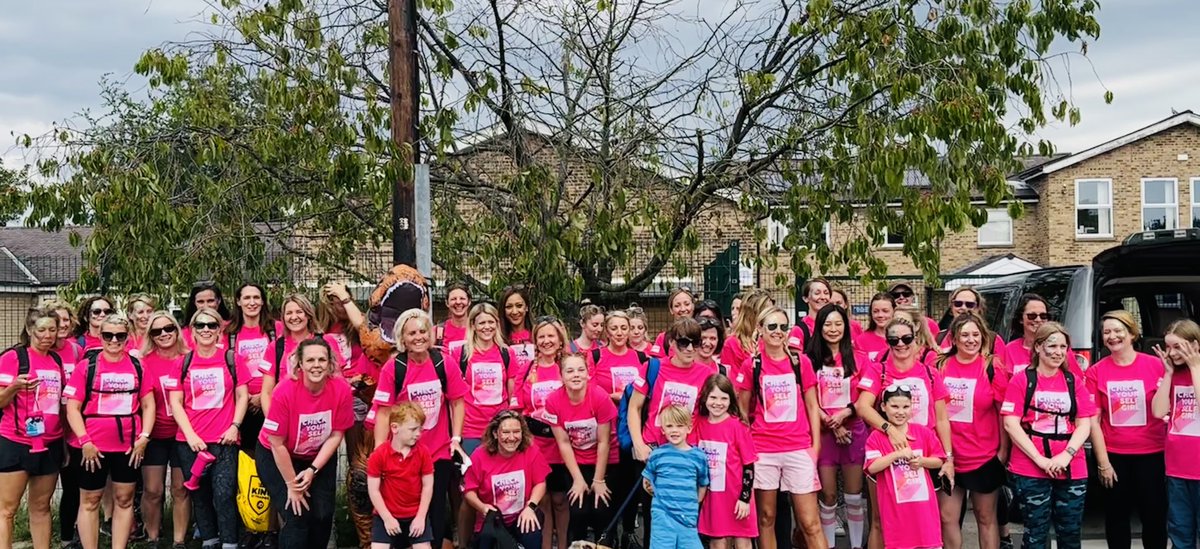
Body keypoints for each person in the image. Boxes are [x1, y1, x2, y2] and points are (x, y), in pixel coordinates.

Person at [371, 308, 468, 549]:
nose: (418, 337)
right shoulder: (394, 368)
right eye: (411, 333)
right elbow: (383, 412)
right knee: (401, 511)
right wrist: (380, 451)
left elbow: (457, 401)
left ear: (430, 334)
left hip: (437, 452)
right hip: (403, 455)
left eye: (423, 331)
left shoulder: (443, 362)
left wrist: (456, 437)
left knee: (434, 512)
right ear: (402, 338)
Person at [854, 317, 952, 549]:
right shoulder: (879, 370)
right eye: (893, 339)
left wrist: (948, 458)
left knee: (925, 517)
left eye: (906, 338)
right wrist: (889, 430)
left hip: (924, 454)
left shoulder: (929, 373)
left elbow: (941, 419)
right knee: (879, 521)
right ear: (887, 342)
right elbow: (862, 406)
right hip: (885, 451)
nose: (900, 344)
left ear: (916, 340)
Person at [735, 306, 825, 549]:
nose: (778, 331)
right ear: (760, 330)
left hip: (798, 447)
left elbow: (812, 406)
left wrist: (815, 446)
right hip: (763, 449)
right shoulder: (751, 365)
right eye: (772, 326)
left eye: (783, 327)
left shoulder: (800, 362)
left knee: (810, 522)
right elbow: (741, 410)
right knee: (766, 518)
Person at [63, 315, 155, 549]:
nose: (114, 340)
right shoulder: (87, 366)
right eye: (108, 335)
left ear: (127, 337)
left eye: (120, 335)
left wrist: (144, 437)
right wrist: (84, 441)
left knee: (124, 499)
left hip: (128, 446)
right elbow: (72, 407)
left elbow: (148, 404)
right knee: (90, 500)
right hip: (91, 447)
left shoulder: (137, 366)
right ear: (100, 336)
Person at [1001, 322, 1094, 549]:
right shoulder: (1022, 379)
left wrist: (1067, 455)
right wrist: (1040, 459)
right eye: (1052, 346)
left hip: (1071, 465)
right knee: (1035, 534)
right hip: (1030, 465)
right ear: (1039, 347)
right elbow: (1011, 423)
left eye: (1063, 347)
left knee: (1070, 532)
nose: (1058, 352)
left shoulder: (1073, 381)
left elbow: (1084, 424)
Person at [627, 317, 717, 546]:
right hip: (653, 452)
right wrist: (638, 443)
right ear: (672, 344)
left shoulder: (706, 374)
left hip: (686, 456)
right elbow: (634, 407)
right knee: (654, 520)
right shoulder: (653, 367)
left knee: (687, 521)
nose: (689, 348)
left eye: (695, 343)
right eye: (683, 342)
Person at [258, 338, 355, 549]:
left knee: (322, 515)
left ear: (330, 364)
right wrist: (292, 485)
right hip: (277, 453)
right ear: (300, 364)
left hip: (317, 455)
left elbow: (337, 434)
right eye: (310, 360)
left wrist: (312, 469)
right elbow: (276, 443)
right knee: (297, 515)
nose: (316, 365)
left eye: (322, 359)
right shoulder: (284, 391)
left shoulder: (341, 389)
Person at [168, 307, 251, 549]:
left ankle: (229, 542)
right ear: (192, 331)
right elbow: (176, 402)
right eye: (200, 325)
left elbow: (243, 396)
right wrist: (191, 435)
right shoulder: (183, 362)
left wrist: (235, 426)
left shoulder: (232, 359)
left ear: (219, 331)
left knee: (224, 493)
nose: (206, 330)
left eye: (211, 325)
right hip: (190, 441)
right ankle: (209, 540)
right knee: (199, 494)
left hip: (224, 439)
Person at [1086, 310, 1167, 549]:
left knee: (1154, 518)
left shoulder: (1156, 366)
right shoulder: (1096, 371)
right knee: (1116, 518)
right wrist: (1103, 463)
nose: (1112, 336)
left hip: (1153, 454)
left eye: (1118, 330)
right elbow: (1093, 421)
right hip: (1114, 456)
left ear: (1132, 334)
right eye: (1107, 332)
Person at [935, 313, 1008, 549]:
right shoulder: (939, 365)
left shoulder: (991, 366)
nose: (970, 340)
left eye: (975, 335)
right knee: (947, 517)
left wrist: (1003, 452)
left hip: (984, 456)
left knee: (986, 518)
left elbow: (1003, 412)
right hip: (948, 456)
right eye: (964, 335)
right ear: (954, 339)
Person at [450, 302, 519, 544]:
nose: (487, 326)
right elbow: (454, 397)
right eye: (482, 322)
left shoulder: (506, 353)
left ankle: (496, 540)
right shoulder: (461, 354)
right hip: (470, 430)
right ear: (473, 326)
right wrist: (455, 437)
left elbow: (511, 394)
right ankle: (465, 542)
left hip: (499, 431)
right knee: (469, 493)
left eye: (491, 322)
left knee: (496, 488)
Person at [0, 308, 64, 549]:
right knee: (7, 510)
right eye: (41, 330)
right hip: (16, 442)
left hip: (50, 442)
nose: (47, 335)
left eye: (52, 329)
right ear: (29, 330)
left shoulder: (56, 360)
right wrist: (14, 387)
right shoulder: (13, 358)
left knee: (41, 506)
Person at [804, 304, 866, 549]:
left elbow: (866, 396)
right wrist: (830, 421)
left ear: (846, 326)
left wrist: (844, 415)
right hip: (823, 434)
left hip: (854, 432)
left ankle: (856, 545)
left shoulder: (857, 356)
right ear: (819, 327)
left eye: (838, 324)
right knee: (828, 496)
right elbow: (806, 398)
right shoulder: (809, 360)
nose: (833, 329)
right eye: (827, 324)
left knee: (853, 496)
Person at [545, 353, 618, 546]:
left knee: (601, 508)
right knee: (578, 510)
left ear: (588, 374)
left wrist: (598, 479)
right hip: (576, 461)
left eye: (580, 370)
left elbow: (604, 441)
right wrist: (578, 479)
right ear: (561, 376)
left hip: (604, 460)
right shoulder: (553, 401)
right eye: (570, 371)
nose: (576, 375)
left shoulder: (599, 397)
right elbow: (563, 442)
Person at [864, 383, 946, 549]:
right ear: (883, 407)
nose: (900, 412)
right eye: (894, 406)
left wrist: (922, 461)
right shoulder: (876, 437)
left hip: (923, 508)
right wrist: (897, 454)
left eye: (905, 407)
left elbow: (939, 459)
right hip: (894, 510)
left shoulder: (923, 432)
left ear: (912, 407)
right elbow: (871, 467)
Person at [463, 410, 550, 549]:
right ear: (495, 434)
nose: (511, 437)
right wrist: (483, 507)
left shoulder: (531, 450)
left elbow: (540, 482)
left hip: (521, 515)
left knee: (532, 532)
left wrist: (531, 507)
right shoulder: (479, 455)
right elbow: (469, 491)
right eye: (506, 432)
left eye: (516, 432)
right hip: (493, 518)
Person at [515, 317, 567, 549]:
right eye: (541, 337)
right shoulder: (527, 369)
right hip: (535, 443)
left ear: (559, 339)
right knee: (543, 500)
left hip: (563, 443)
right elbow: (516, 405)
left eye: (551, 336)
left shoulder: (568, 365)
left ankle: (564, 544)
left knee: (560, 499)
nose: (546, 341)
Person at [138, 311, 189, 547]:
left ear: (176, 330)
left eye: (168, 328)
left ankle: (179, 541)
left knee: (180, 489)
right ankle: (152, 538)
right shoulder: (143, 361)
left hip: (183, 435)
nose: (164, 334)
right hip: (155, 435)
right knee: (153, 490)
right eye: (157, 331)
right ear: (150, 335)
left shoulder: (189, 358)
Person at [1151, 319, 1200, 548]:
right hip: (1177, 469)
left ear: (1195, 345)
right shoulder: (1174, 374)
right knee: (1180, 530)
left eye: (1177, 346)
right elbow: (1159, 411)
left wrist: (1195, 368)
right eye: (1168, 347)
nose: (1171, 352)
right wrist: (1168, 374)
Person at [695, 374, 757, 549]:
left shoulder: (738, 426)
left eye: (724, 398)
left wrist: (745, 498)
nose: (718, 403)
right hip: (713, 496)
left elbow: (749, 465)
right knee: (717, 541)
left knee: (742, 540)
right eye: (713, 397)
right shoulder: (698, 424)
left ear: (731, 400)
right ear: (705, 398)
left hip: (737, 496)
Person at [261, 294, 347, 415]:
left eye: (299, 312)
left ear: (308, 314)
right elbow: (267, 392)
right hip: (287, 414)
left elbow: (339, 380)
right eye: (289, 313)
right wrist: (273, 421)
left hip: (322, 413)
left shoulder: (326, 341)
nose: (294, 317)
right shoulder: (275, 347)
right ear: (283, 318)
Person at [366, 401, 435, 549]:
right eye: (413, 429)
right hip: (386, 513)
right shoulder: (379, 455)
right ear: (395, 428)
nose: (418, 434)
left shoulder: (423, 453)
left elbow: (428, 486)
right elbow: (373, 490)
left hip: (415, 513)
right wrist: (387, 518)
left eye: (420, 429)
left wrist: (421, 517)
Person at [641, 404, 709, 549]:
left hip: (687, 518)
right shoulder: (657, 455)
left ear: (689, 428)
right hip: (662, 516)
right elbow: (646, 480)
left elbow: (703, 484)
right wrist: (657, 494)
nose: (674, 430)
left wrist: (693, 503)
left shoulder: (698, 456)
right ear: (663, 430)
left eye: (679, 426)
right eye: (670, 426)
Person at [224, 283, 282, 452]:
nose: (252, 302)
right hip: (240, 404)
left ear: (263, 301)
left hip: (272, 401)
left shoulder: (276, 328)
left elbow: (286, 364)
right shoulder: (229, 332)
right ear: (238, 302)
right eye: (247, 298)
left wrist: (263, 395)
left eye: (256, 297)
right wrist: (245, 397)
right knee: (245, 457)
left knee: (271, 452)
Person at [48, 302, 85, 548]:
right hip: (48, 429)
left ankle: (72, 538)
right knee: (47, 490)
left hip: (73, 428)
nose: (62, 324)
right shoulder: (41, 351)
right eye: (56, 320)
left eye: (65, 319)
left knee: (75, 486)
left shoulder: (75, 351)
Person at [935, 288, 1004, 355]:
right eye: (958, 303)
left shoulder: (993, 340)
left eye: (969, 304)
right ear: (952, 307)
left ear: (978, 308)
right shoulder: (940, 337)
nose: (963, 308)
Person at [721, 290, 773, 377]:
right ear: (752, 314)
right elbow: (733, 383)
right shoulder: (732, 344)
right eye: (767, 312)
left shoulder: (774, 340)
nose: (773, 316)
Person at [788, 278, 833, 352]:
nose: (822, 297)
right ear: (805, 298)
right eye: (817, 293)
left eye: (826, 293)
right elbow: (796, 360)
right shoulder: (799, 330)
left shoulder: (837, 326)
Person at [180, 283, 231, 347]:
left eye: (210, 301)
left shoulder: (232, 328)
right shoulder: (183, 334)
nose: (206, 306)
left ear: (219, 301)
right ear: (194, 303)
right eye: (200, 302)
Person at [649, 287, 695, 358]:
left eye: (687, 304)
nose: (683, 309)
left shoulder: (703, 335)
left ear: (693, 306)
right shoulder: (663, 338)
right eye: (677, 306)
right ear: (671, 310)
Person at [853, 293, 895, 362]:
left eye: (885, 311)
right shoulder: (861, 340)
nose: (880, 315)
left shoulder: (902, 339)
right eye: (875, 311)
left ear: (894, 311)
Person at [501, 285, 535, 363]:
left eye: (519, 306)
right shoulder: (497, 337)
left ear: (526, 307)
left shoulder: (537, 335)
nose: (515, 312)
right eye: (509, 307)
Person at [438, 282, 472, 352]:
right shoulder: (438, 331)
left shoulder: (478, 328)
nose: (458, 302)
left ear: (469, 302)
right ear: (447, 303)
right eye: (453, 299)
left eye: (462, 298)